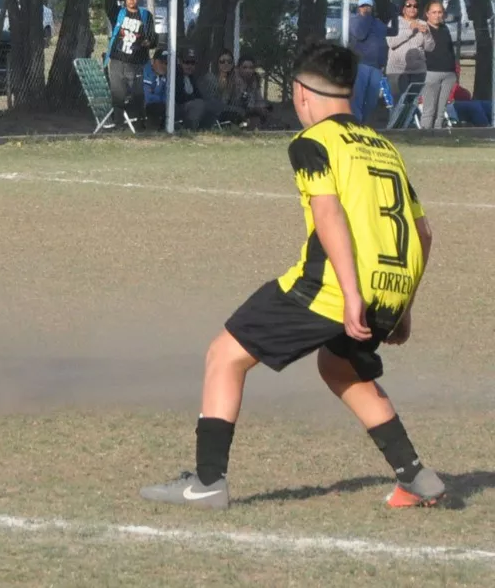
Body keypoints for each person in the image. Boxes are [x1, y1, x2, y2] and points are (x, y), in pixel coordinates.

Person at [140, 41, 443, 511]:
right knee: (339, 366)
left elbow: (329, 215)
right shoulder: (385, 148)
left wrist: (349, 294)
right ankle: (415, 476)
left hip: (334, 287)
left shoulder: (312, 143)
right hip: (392, 287)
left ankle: (207, 482)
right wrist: (402, 308)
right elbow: (423, 234)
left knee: (225, 354)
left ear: (302, 94)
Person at [105, 0, 156, 125]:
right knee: (118, 95)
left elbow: (153, 39)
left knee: (138, 94)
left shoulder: (146, 16)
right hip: (117, 61)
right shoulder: (117, 13)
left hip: (137, 63)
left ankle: (141, 124)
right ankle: (118, 124)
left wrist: (148, 42)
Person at [349, 0, 389, 123]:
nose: (365, 9)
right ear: (358, 8)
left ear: (372, 8)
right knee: (358, 98)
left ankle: (363, 124)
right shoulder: (355, 20)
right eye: (363, 6)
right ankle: (356, 123)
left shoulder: (377, 23)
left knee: (371, 101)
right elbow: (360, 34)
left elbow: (385, 39)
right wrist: (366, 19)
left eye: (368, 6)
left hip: (376, 67)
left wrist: (383, 62)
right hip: (361, 65)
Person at [419, 0, 457, 130]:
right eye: (434, 12)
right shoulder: (423, 28)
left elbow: (450, 50)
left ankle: (438, 136)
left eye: (439, 12)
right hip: (431, 73)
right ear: (427, 14)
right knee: (429, 108)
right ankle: (425, 135)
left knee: (441, 110)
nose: (437, 15)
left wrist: (454, 71)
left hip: (448, 74)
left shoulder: (445, 28)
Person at [385, 0, 433, 97]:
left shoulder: (423, 23)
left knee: (412, 105)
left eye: (415, 6)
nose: (412, 8)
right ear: (403, 9)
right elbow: (391, 42)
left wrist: (427, 34)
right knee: (398, 105)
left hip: (418, 71)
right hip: (397, 71)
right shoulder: (394, 22)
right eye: (409, 5)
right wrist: (410, 30)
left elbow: (430, 48)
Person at [198, 49, 241, 125]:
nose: (226, 64)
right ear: (217, 63)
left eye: (229, 62)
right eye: (222, 61)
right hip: (211, 116)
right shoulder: (210, 78)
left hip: (227, 114)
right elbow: (212, 103)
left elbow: (236, 102)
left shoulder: (234, 80)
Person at [142, 49, 170, 128]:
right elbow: (146, 97)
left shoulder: (166, 76)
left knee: (173, 108)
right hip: (142, 105)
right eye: (161, 62)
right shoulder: (147, 72)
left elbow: (166, 95)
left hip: (159, 105)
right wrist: (161, 99)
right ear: (153, 61)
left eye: (167, 63)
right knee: (162, 108)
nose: (164, 66)